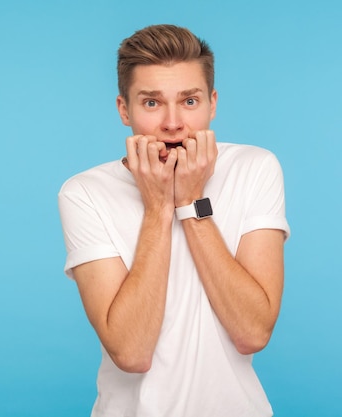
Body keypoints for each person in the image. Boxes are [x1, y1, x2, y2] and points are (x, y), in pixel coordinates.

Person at [58, 24, 290, 417]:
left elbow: (252, 332)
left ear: (212, 104)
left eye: (189, 101)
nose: (172, 123)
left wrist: (191, 200)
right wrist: (158, 208)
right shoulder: (84, 193)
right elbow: (131, 352)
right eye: (151, 103)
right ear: (123, 109)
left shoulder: (255, 168)